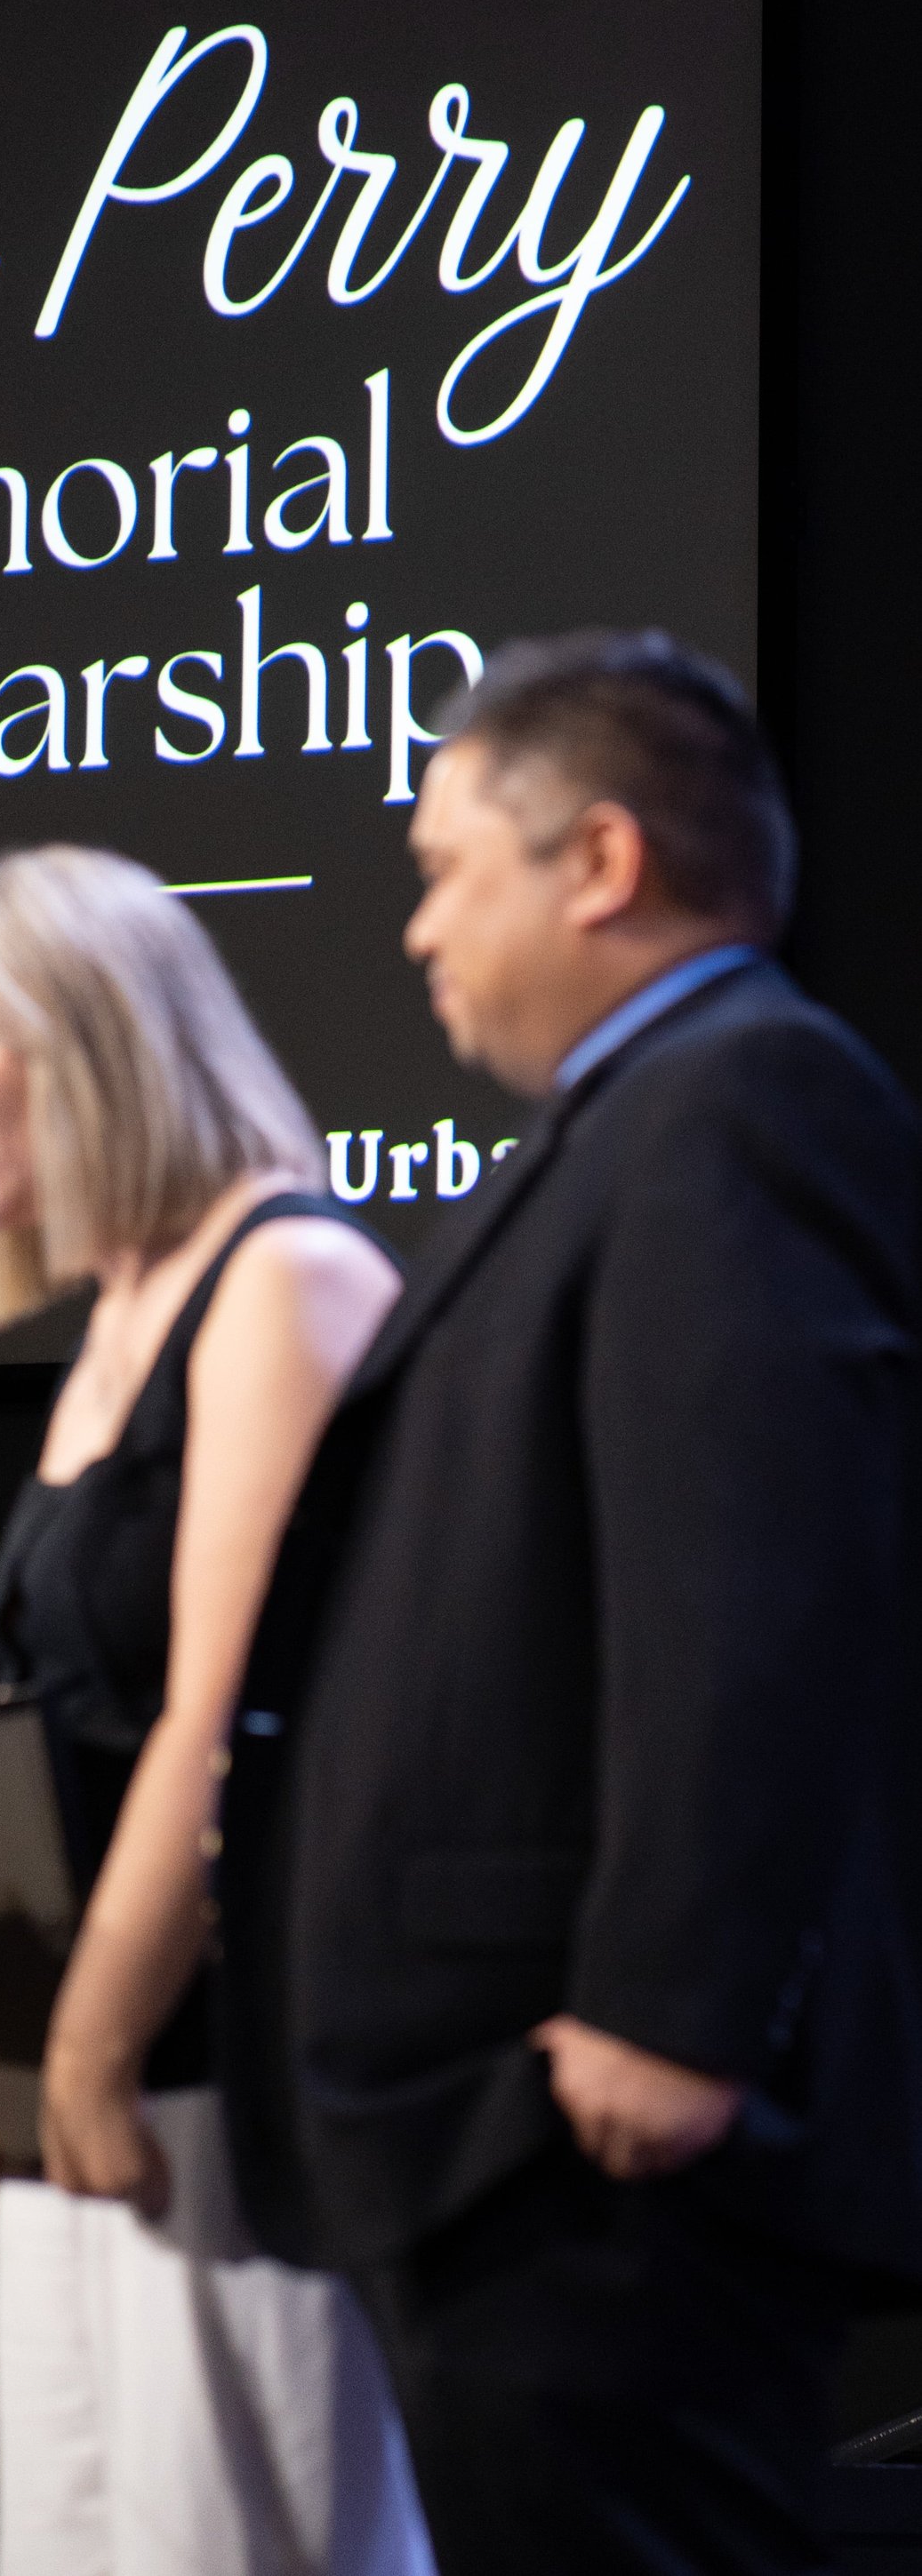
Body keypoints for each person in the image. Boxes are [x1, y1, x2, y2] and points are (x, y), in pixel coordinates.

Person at [220, 628, 922, 2576]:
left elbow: (752, 1573)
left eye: (445, 870)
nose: (415, 932)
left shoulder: (739, 1106)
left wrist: (665, 2006)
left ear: (596, 862)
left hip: (593, 2127)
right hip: (502, 2136)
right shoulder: (638, 1124)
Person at [0, 849, 435, 2576]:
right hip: (75, 2093)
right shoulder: (118, 1321)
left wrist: (89, 2042)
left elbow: (221, 1715)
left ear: (94, 1031)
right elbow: (41, 1730)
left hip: (222, 2085)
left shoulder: (286, 1277)